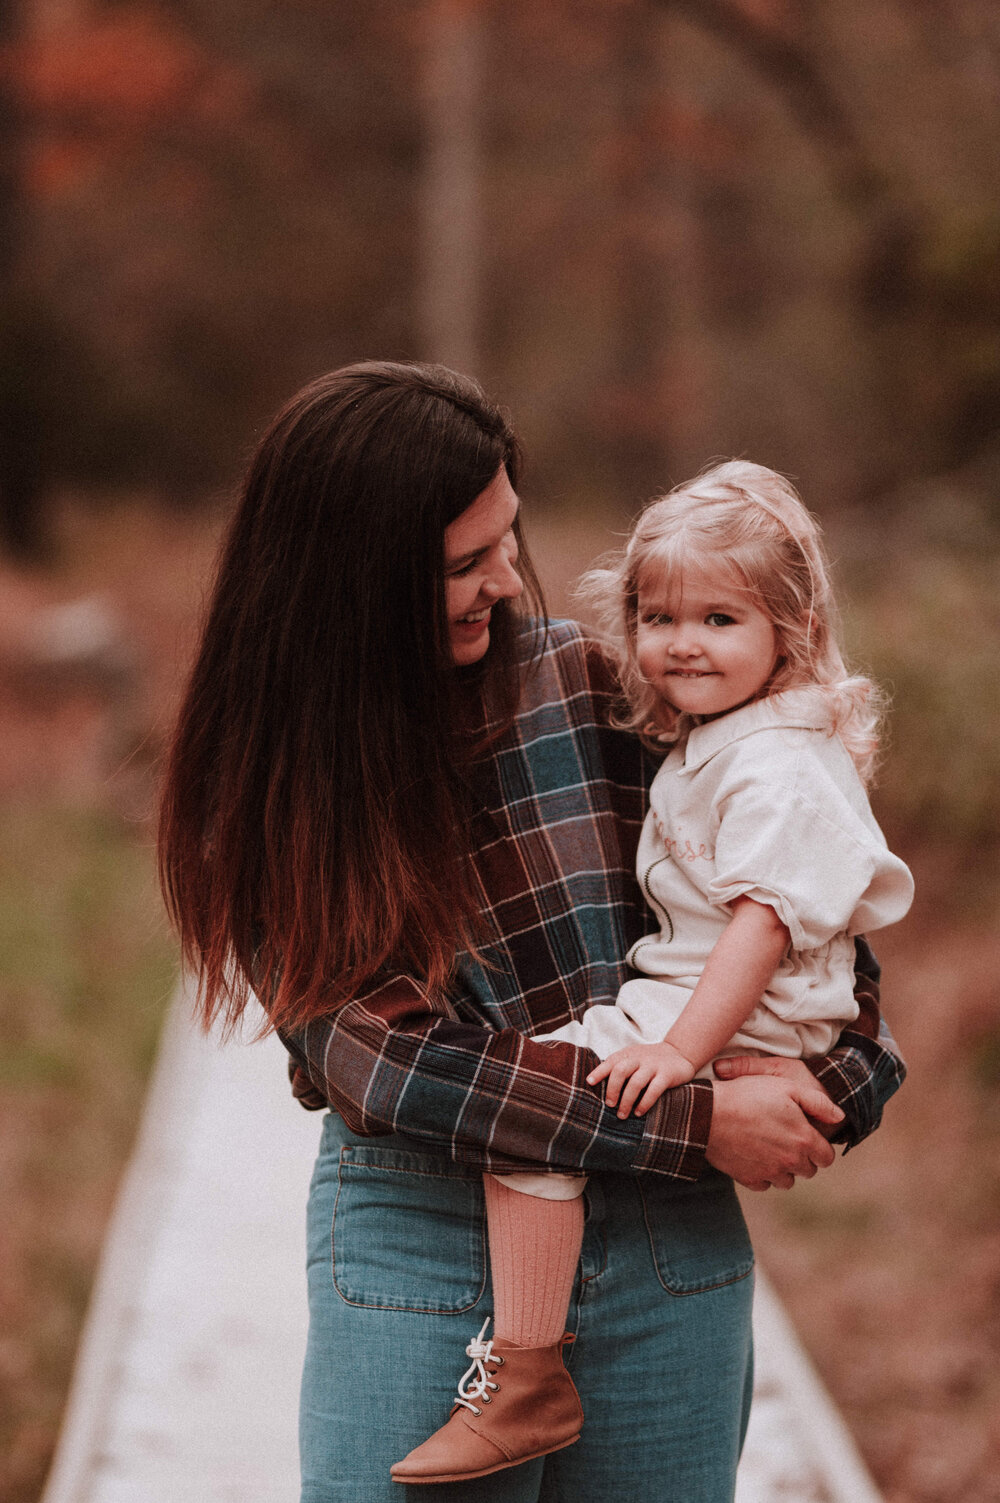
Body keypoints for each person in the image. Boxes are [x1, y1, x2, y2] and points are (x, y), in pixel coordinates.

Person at [158, 364, 906, 1503]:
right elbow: (388, 1064)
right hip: (425, 1239)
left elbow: (801, 915)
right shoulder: (267, 790)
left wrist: (830, 1090)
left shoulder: (598, 686)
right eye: (465, 563)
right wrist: (699, 1118)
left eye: (508, 538)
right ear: (353, 582)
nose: (510, 580)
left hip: (663, 1251)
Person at [395, 460, 913, 1484]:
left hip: (730, 1004)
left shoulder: (774, 762)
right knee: (550, 1089)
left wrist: (685, 1054)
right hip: (713, 1003)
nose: (682, 642)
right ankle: (530, 1368)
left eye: (720, 619)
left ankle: (527, 1373)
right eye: (658, 614)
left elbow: (765, 925)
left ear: (790, 631)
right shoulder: (720, 740)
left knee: (543, 1101)